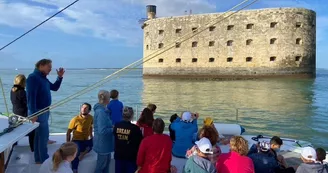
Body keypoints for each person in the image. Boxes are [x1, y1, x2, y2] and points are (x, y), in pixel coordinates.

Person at [26, 59, 64, 164]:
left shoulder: (43, 78)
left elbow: (55, 87)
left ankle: (39, 159)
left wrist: (60, 77)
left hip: (44, 111)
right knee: (43, 137)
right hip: (38, 112)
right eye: (49, 67)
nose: (50, 69)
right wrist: (33, 114)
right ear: (41, 65)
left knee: (39, 137)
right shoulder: (33, 78)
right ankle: (43, 159)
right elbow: (30, 97)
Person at [113, 106, 142, 173]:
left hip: (119, 155)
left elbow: (115, 135)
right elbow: (139, 142)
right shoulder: (135, 128)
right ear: (132, 115)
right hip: (130, 157)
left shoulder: (117, 125)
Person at [10, 74, 35, 152]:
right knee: (32, 130)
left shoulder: (12, 90)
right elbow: (27, 103)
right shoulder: (22, 92)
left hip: (15, 112)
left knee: (15, 131)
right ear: (24, 82)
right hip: (23, 113)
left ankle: (14, 146)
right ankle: (32, 148)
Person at [66, 103, 93, 173]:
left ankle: (83, 154)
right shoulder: (75, 119)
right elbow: (68, 132)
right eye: (82, 107)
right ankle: (75, 169)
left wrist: (91, 137)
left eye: (86, 108)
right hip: (76, 140)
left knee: (92, 146)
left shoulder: (91, 118)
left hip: (85, 140)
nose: (83, 109)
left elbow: (90, 127)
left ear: (89, 110)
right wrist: (68, 143)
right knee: (76, 153)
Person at [93, 90, 114, 173]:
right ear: (106, 99)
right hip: (103, 145)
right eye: (109, 97)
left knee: (106, 166)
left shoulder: (103, 110)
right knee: (101, 167)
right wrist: (114, 129)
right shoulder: (101, 112)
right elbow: (102, 130)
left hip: (106, 144)